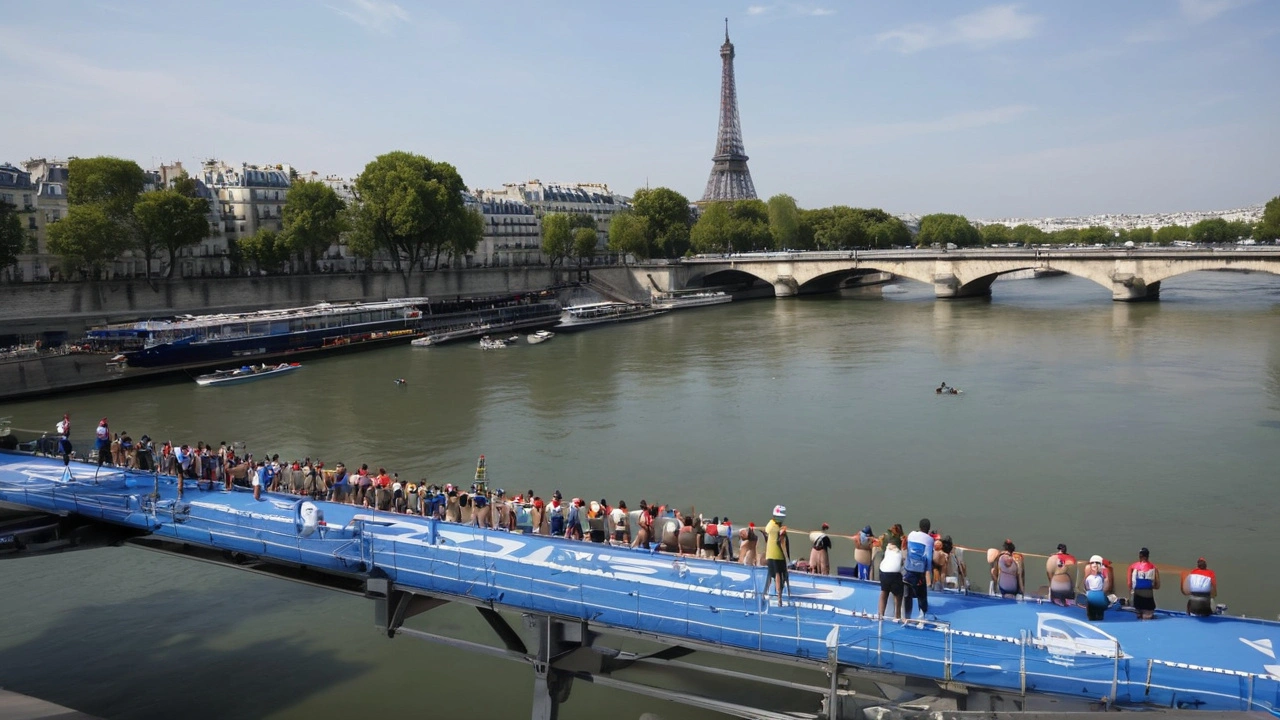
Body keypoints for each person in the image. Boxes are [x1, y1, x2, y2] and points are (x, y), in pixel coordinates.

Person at [903, 518, 934, 621]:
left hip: (908, 569)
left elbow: (908, 549)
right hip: (919, 571)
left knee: (907, 595)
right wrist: (928, 571)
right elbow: (928, 558)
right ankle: (922, 615)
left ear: (919, 527)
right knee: (922, 595)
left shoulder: (911, 534)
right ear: (928, 529)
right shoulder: (929, 540)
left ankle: (907, 616)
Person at [764, 506, 790, 606]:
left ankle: (766, 594)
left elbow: (767, 530)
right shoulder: (779, 528)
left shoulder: (771, 525)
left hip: (770, 553)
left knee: (771, 575)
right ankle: (779, 598)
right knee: (779, 574)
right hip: (778, 554)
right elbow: (783, 544)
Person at [1128, 547, 1161, 620]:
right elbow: (1157, 586)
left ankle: (1139, 612)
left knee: (1137, 615)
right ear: (1148, 556)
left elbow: (1129, 584)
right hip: (1148, 596)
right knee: (1147, 617)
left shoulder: (1132, 567)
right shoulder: (1154, 568)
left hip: (1136, 597)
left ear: (1140, 556)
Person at [878, 535, 904, 620]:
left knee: (884, 593)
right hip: (894, 574)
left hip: (883, 572)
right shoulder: (900, 552)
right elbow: (901, 565)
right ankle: (897, 616)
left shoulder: (887, 549)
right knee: (898, 595)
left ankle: (880, 615)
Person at [1082, 555, 1109, 621]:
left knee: (1098, 614)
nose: (1094, 564)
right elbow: (1086, 584)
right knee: (1092, 614)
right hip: (1092, 594)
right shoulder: (1089, 574)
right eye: (1092, 563)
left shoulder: (1103, 572)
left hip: (1098, 593)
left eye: (1096, 563)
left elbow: (1106, 582)